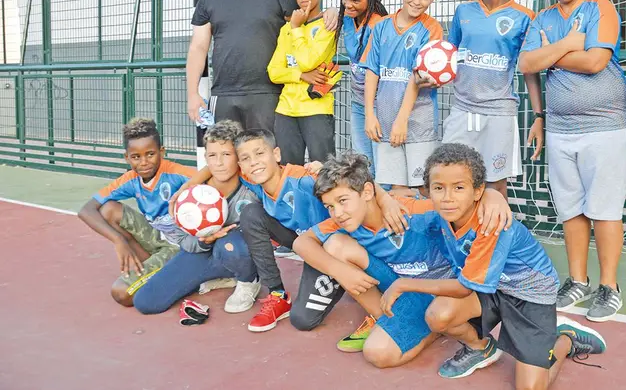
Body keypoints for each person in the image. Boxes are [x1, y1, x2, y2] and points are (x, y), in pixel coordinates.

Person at [379, 143, 606, 388]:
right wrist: (381, 198)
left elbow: (465, 288)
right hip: (492, 287)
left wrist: (403, 283)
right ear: (429, 191)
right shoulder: (441, 210)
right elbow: (382, 200)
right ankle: (480, 348)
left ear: (477, 191)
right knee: (438, 315)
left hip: (530, 296)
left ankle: (565, 339)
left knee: (530, 388)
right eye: (438, 188)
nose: (447, 197)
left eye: (458, 188)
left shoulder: (492, 222)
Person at [292, 151, 512, 363]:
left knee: (377, 354)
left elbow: (460, 204)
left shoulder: (410, 209)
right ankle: (385, 320)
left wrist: (491, 196)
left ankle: (432, 328)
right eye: (329, 206)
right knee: (336, 245)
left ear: (368, 192)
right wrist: (340, 271)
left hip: (440, 290)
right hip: (400, 286)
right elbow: (301, 242)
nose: (337, 212)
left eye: (342, 201)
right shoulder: (345, 219)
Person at [518, 0, 626, 322]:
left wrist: (551, 54)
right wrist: (567, 45)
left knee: (605, 209)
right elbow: (526, 62)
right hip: (562, 129)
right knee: (571, 210)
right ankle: (578, 281)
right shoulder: (543, 18)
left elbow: (596, 60)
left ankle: (609, 286)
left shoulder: (602, 8)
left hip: (604, 125)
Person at [232, 129, 409, 333]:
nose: (253, 162)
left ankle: (361, 281)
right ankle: (277, 295)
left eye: (260, 153)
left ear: (276, 154)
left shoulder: (305, 179)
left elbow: (353, 178)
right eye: (246, 158)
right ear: (241, 165)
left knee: (304, 319)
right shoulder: (251, 177)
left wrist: (385, 198)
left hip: (337, 245)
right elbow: (219, 167)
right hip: (308, 244)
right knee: (251, 214)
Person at [435, 0, 544, 198]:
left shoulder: (524, 16)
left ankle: (494, 237)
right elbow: (449, 56)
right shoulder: (464, 12)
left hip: (499, 112)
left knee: (495, 185)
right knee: (453, 178)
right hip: (462, 109)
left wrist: (539, 115)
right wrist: (429, 75)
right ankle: (459, 236)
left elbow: (530, 70)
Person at [132, 120, 261, 316]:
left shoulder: (252, 187)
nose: (218, 163)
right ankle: (223, 276)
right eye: (212, 155)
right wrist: (204, 241)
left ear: (238, 156)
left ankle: (248, 280)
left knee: (230, 242)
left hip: (238, 252)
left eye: (226, 154)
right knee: (146, 302)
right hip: (205, 253)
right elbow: (184, 241)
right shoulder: (189, 197)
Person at [185, 0, 299, 134]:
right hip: (224, 93)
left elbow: (307, 25)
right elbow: (198, 48)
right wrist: (192, 94)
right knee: (226, 159)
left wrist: (331, 12)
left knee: (268, 158)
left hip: (269, 93)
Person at [77, 118, 193, 306]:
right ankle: (154, 268)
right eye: (136, 157)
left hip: (180, 248)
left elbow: (210, 185)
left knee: (121, 293)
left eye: (150, 154)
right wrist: (118, 240)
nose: (144, 162)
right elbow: (86, 210)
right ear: (127, 157)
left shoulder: (177, 174)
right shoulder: (131, 179)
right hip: (157, 239)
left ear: (161, 152)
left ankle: (182, 275)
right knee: (108, 210)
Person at [361, 0, 444, 193]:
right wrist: (370, 114)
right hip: (386, 120)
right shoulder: (381, 27)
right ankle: (401, 231)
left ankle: (428, 229)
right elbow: (372, 71)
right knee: (397, 189)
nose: (417, 2)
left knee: (422, 187)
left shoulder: (432, 29)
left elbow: (418, 77)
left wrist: (402, 120)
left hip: (418, 122)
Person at [267, 0, 339, 165]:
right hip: (286, 110)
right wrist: (300, 76)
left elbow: (309, 61)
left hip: (316, 108)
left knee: (323, 171)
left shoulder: (328, 25)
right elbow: (273, 72)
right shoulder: (285, 29)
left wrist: (297, 28)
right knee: (288, 170)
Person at [335, 0, 388, 178]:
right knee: (362, 160)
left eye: (355, 0)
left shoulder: (379, 25)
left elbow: (372, 69)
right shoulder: (348, 17)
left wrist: (371, 113)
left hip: (377, 105)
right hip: (358, 100)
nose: (347, 4)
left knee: (380, 162)